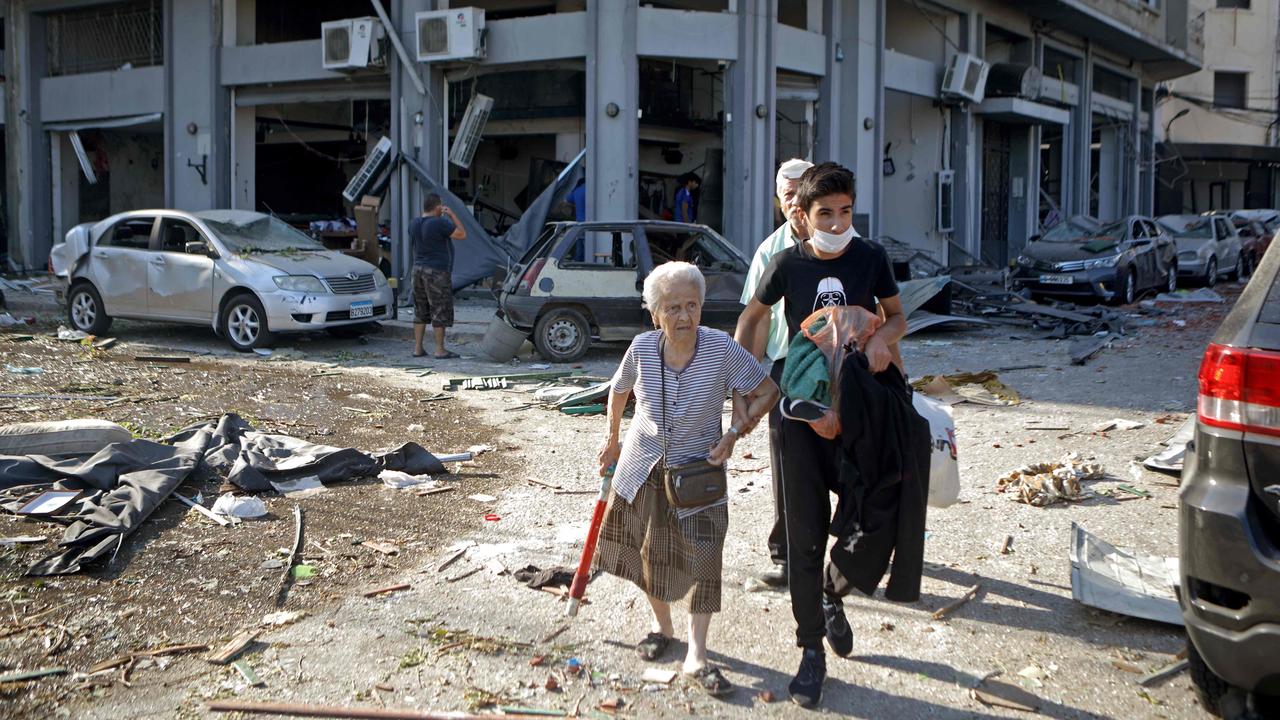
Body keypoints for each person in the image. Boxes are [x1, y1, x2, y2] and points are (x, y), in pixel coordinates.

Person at [735, 163, 906, 708]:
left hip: (858, 406)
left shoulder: (871, 258)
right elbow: (752, 319)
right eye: (825, 213)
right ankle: (811, 649)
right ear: (803, 219)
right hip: (802, 412)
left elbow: (897, 315)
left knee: (876, 512)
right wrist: (753, 379)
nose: (837, 222)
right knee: (804, 533)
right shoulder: (786, 263)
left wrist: (883, 339)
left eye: (845, 211)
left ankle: (834, 590)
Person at [596, 261, 779, 698]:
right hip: (641, 466)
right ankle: (662, 628)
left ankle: (698, 653)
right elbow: (619, 389)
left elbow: (768, 390)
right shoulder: (641, 348)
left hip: (699, 472)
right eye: (673, 308)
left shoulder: (720, 349)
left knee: (704, 557)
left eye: (692, 306)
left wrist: (736, 431)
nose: (684, 317)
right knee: (646, 552)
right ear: (656, 314)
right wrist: (613, 438)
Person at [736, 157, 813, 589]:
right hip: (790, 366)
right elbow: (755, 320)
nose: (797, 204)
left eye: (805, 192)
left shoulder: (847, 242)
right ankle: (787, 559)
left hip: (842, 365)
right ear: (779, 202)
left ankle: (851, 546)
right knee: (788, 464)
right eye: (788, 196)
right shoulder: (772, 251)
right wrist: (745, 389)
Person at [411, 193, 466, 359]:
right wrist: (452, 215)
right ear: (437, 207)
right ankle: (440, 349)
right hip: (436, 272)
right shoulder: (440, 223)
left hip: (417, 270)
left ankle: (418, 348)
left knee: (420, 310)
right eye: (441, 206)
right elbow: (462, 234)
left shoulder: (413, 223)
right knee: (439, 309)